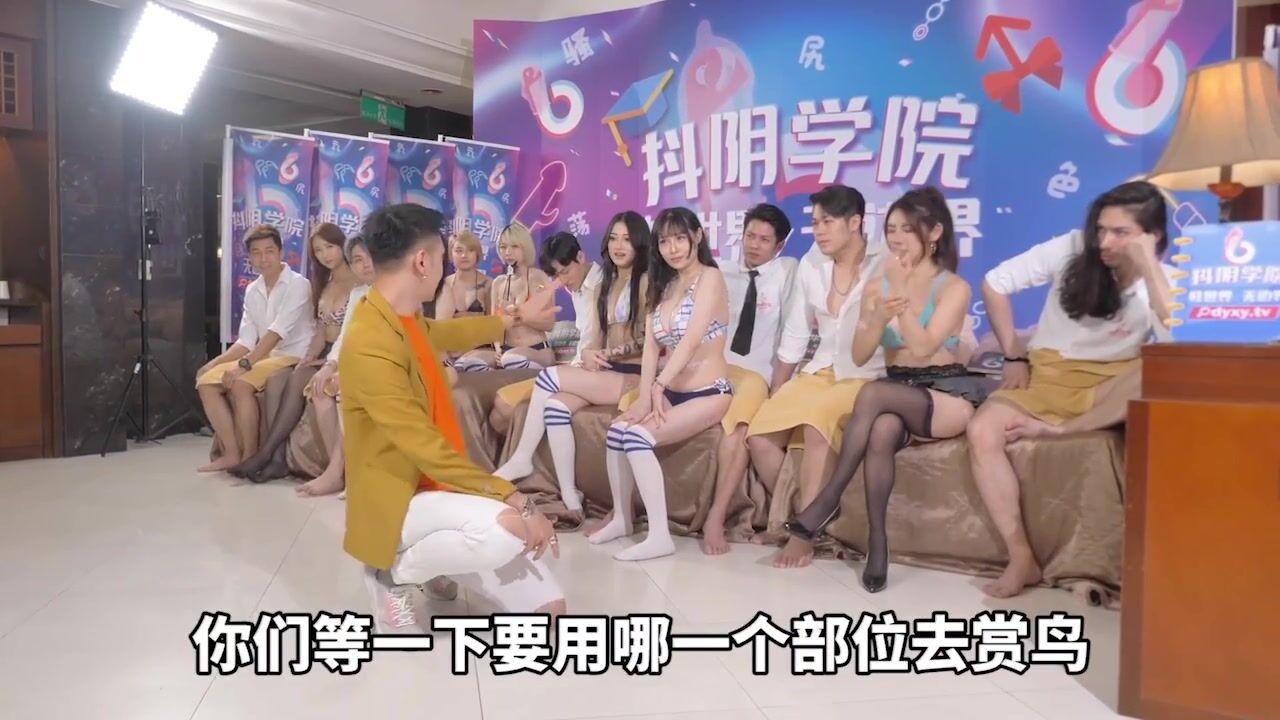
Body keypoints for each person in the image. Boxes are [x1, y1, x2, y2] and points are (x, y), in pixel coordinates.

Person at [339, 203, 566, 631]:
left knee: (550, 608)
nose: (446, 264)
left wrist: (516, 317)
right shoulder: (369, 339)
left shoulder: (405, 319)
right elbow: (424, 447)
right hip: (400, 500)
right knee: (507, 529)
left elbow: (447, 332)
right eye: (443, 255)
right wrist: (516, 498)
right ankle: (391, 573)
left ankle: (432, 566)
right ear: (422, 261)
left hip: (441, 491)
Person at [966, 180, 1176, 598]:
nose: (1105, 241)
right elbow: (995, 283)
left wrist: (1150, 267)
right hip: (1048, 375)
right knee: (981, 431)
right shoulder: (1072, 248)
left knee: (1158, 371)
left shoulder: (1165, 279)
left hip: (1112, 383)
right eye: (1101, 229)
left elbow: (1176, 341)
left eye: (1120, 232)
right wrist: (1013, 355)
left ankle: (1061, 430)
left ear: (1151, 236)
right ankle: (1020, 556)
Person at [779, 187, 989, 591]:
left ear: (934, 233)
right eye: (891, 229)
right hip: (898, 390)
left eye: (907, 229)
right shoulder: (877, 285)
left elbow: (924, 347)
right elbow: (860, 355)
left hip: (946, 394)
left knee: (872, 395)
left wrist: (900, 296)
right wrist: (877, 315)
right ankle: (878, 544)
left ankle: (828, 499)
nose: (896, 238)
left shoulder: (954, 287)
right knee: (881, 428)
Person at [745, 185, 886, 568]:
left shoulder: (884, 261)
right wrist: (778, 387)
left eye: (828, 222)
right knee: (759, 436)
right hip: (818, 369)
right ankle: (799, 520)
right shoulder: (812, 263)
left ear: (855, 223)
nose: (819, 230)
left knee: (815, 426)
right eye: (815, 222)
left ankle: (802, 535)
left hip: (866, 373)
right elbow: (795, 332)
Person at [588, 208, 733, 561]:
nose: (673, 248)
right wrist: (645, 393)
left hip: (708, 391)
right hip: (670, 389)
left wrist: (658, 385)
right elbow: (652, 345)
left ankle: (659, 536)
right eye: (665, 241)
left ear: (697, 236)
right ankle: (622, 519)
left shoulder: (711, 277)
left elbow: (692, 338)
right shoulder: (663, 283)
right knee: (618, 430)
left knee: (637, 437)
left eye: (680, 238)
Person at [492, 212, 651, 520]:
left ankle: (523, 457)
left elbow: (650, 340)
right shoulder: (610, 284)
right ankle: (570, 496)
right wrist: (591, 354)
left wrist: (604, 354)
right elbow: (594, 339)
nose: (619, 246)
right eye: (614, 238)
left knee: (548, 377)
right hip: (606, 370)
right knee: (555, 407)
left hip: (634, 374)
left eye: (627, 239)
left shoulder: (645, 281)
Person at [701, 203, 799, 555]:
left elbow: (793, 334)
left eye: (764, 239)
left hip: (758, 374)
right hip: (717, 368)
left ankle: (716, 518)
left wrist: (779, 389)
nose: (754, 245)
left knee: (738, 430)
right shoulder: (721, 272)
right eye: (749, 236)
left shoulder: (788, 274)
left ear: (780, 245)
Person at [229, 223, 358, 481]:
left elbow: (349, 334)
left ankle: (264, 454)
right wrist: (310, 356)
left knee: (298, 379)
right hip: (323, 352)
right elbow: (320, 329)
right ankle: (277, 460)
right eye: (318, 250)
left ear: (342, 245)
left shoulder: (359, 282)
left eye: (329, 247)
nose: (325, 255)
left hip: (348, 353)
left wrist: (327, 363)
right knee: (277, 380)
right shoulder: (325, 282)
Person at [196, 225, 314, 473]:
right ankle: (232, 453)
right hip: (265, 356)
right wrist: (214, 363)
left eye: (269, 251)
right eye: (256, 252)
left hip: (293, 355)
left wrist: (244, 365)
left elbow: (277, 332)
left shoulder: (298, 284)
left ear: (281, 252)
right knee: (206, 382)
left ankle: (250, 456)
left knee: (241, 383)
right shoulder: (252, 289)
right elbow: (246, 340)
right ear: (249, 257)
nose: (263, 258)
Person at [489, 230, 604, 434]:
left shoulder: (603, 284)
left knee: (506, 406)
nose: (562, 281)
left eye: (565, 272)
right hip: (575, 369)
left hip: (590, 372)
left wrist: (522, 317)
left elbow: (596, 340)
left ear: (580, 257)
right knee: (498, 411)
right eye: (557, 276)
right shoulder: (578, 287)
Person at [296, 234, 375, 497]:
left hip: (384, 365)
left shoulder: (395, 291)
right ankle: (338, 470)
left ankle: (345, 473)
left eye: (369, 257)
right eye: (357, 260)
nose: (365, 264)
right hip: (354, 362)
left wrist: (349, 370)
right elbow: (345, 337)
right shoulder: (358, 293)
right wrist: (329, 366)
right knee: (320, 389)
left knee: (346, 389)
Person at [454, 222, 555, 372]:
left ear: (525, 247)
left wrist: (520, 316)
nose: (507, 252)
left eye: (514, 246)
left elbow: (549, 324)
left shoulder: (538, 278)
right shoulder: (498, 283)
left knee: (512, 359)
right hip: (506, 350)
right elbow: (495, 326)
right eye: (503, 247)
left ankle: (526, 371)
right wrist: (497, 349)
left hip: (536, 349)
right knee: (467, 363)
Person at [435, 231, 493, 367]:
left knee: (469, 363)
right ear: (450, 254)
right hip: (449, 352)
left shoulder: (489, 284)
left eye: (470, 250)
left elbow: (494, 326)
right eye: (459, 251)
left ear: (478, 254)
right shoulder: (443, 285)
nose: (464, 256)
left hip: (480, 351)